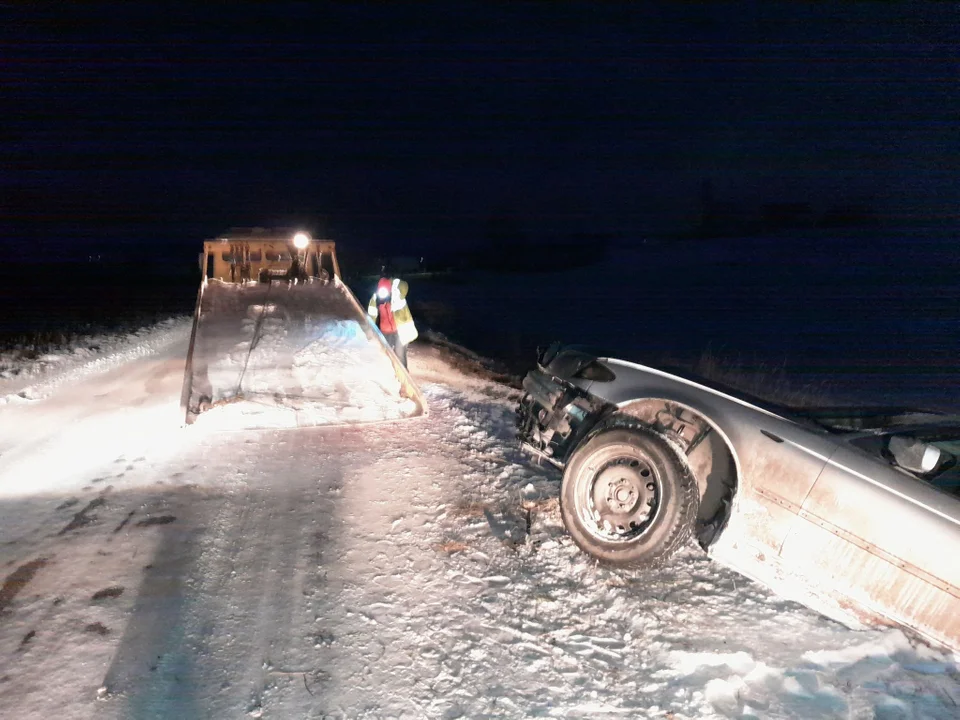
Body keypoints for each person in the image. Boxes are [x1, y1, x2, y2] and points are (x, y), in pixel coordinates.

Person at [367, 275, 418, 368]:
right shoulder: (375, 299)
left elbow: (404, 286)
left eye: (385, 291)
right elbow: (371, 315)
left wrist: (394, 283)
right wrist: (369, 331)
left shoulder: (398, 295)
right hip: (386, 331)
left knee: (399, 354)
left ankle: (404, 375)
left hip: (400, 330)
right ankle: (390, 373)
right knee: (386, 353)